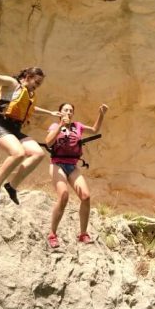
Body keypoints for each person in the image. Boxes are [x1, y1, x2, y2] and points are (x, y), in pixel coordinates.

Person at [0, 46, 57, 207]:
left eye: (40, 84)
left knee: (38, 154)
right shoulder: (12, 83)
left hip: (14, 129)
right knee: (18, 154)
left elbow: (32, 109)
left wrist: (51, 113)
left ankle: (12, 185)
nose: (38, 86)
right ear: (28, 76)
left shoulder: (29, 94)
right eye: (36, 82)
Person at [45, 102, 108, 247]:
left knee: (86, 197)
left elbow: (94, 129)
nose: (68, 112)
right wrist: (61, 125)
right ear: (60, 112)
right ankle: (52, 234)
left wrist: (101, 114)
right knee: (64, 195)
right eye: (65, 110)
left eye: (71, 110)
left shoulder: (77, 126)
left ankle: (83, 234)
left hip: (72, 165)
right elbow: (48, 142)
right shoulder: (55, 127)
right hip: (57, 164)